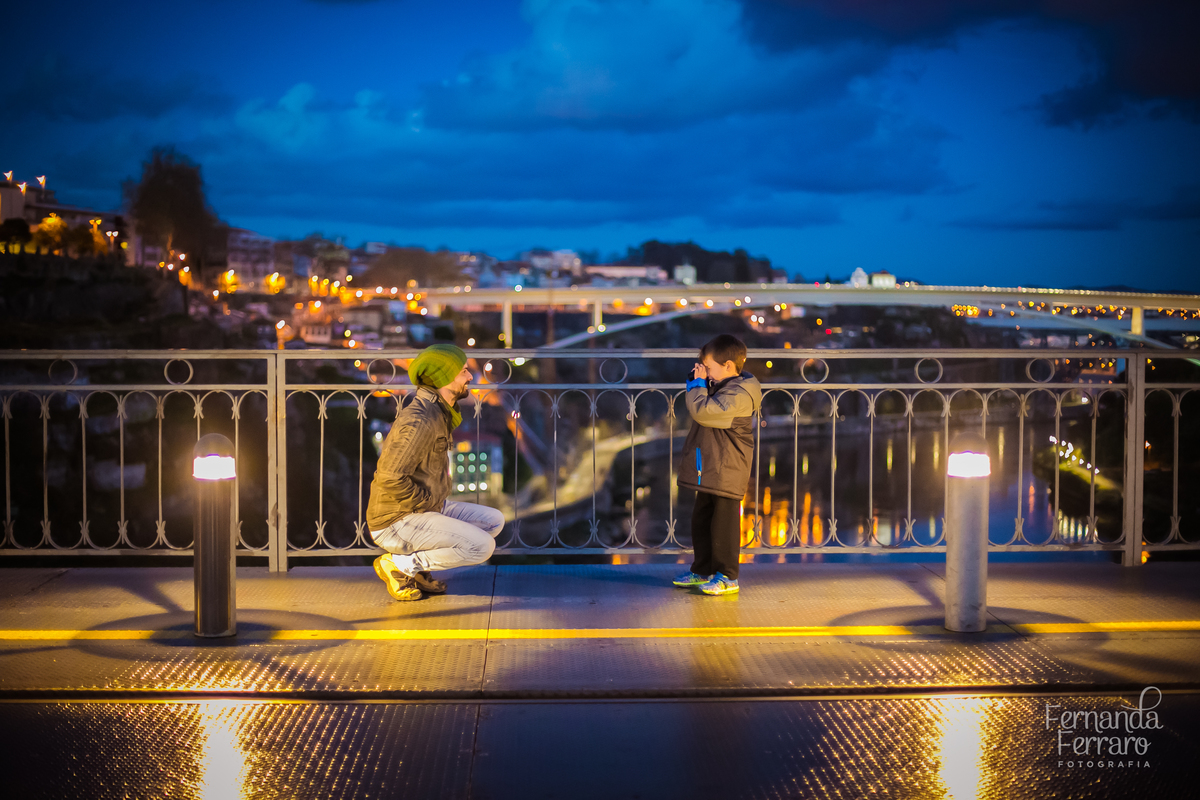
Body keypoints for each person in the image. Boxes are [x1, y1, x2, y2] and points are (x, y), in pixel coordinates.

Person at [366, 343, 504, 601]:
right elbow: (390, 477)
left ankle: (417, 570)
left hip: (424, 508)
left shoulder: (438, 411)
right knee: (482, 547)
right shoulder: (421, 420)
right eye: (464, 371)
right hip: (396, 519)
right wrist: (427, 504)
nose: (470, 376)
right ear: (444, 377)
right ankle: (400, 566)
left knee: (494, 521)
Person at [672, 334, 762, 595]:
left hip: (728, 468)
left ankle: (728, 576)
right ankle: (702, 570)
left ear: (729, 366)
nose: (705, 372)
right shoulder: (724, 384)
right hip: (712, 466)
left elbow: (703, 411)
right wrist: (703, 381)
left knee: (724, 524)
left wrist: (698, 384)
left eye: (709, 367)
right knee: (702, 520)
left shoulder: (739, 394)